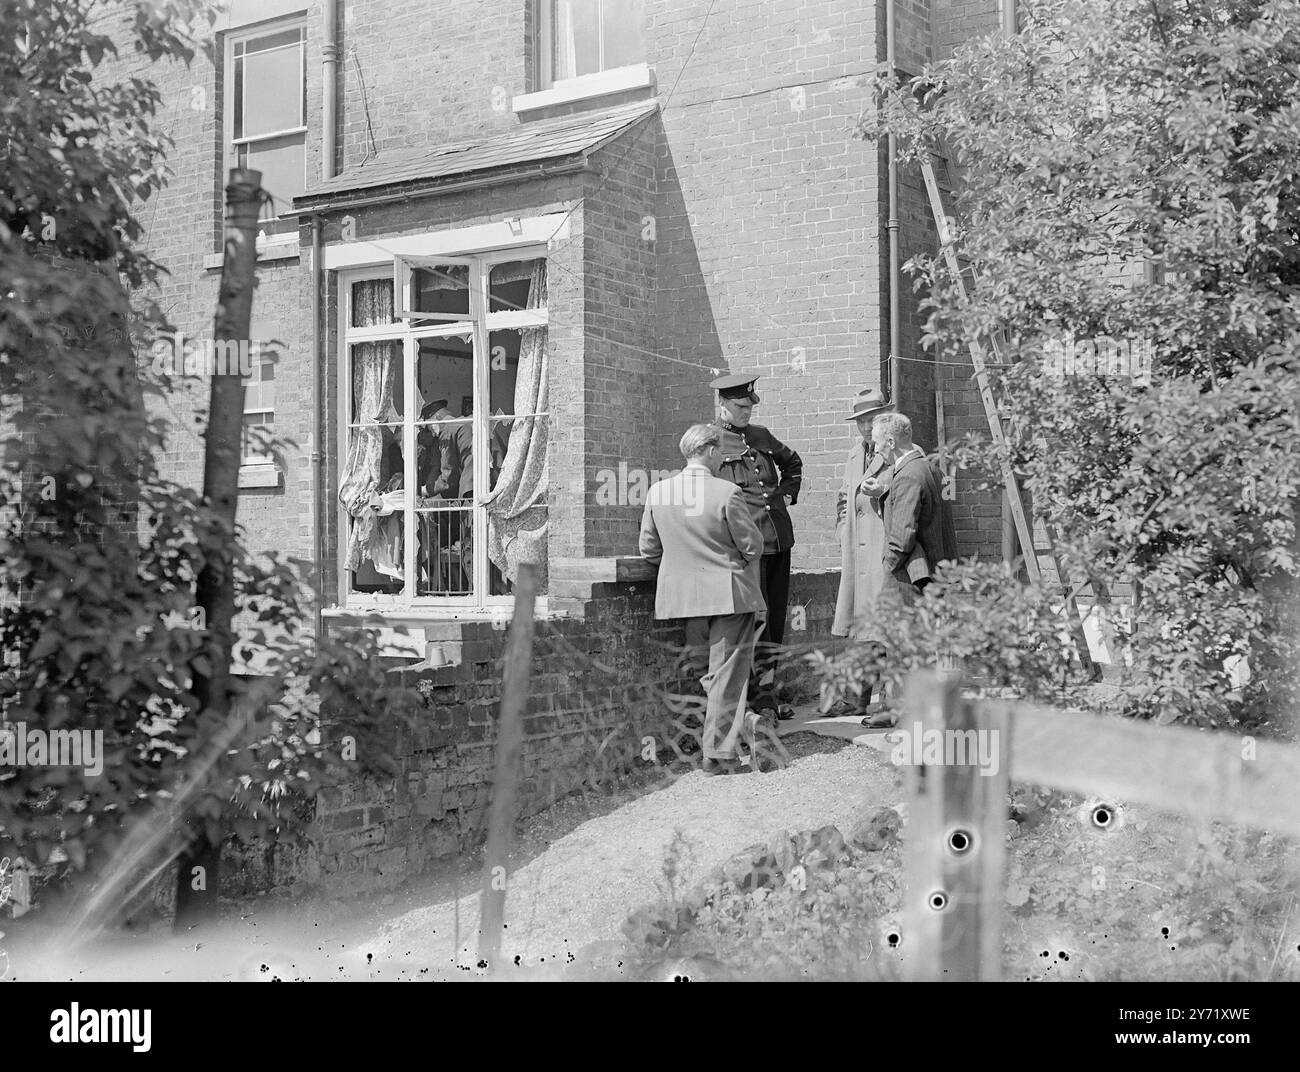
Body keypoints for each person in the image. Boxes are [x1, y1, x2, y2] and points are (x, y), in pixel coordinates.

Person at [640, 423, 766, 776]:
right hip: (728, 595)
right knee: (726, 675)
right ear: (710, 452)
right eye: (721, 452)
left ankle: (743, 725)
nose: (724, 458)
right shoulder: (727, 492)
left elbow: (648, 549)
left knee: (709, 674)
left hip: (682, 599)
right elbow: (753, 546)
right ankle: (718, 752)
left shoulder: (658, 493)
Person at [709, 373, 802, 722]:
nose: (746, 412)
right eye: (739, 406)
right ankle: (750, 700)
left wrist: (788, 493)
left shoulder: (761, 436)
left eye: (749, 406)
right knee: (754, 623)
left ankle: (767, 697)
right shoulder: (711, 442)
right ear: (723, 405)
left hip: (778, 538)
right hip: (746, 547)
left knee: (774, 624)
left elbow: (793, 463)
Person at [829, 387, 894, 717]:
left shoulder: (899, 452)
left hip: (884, 551)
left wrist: (884, 489)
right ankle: (855, 699)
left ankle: (887, 701)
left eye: (872, 420)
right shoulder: (855, 454)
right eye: (861, 422)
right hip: (857, 552)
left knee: (885, 629)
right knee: (862, 627)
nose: (867, 427)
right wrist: (843, 530)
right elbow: (843, 498)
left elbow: (913, 492)